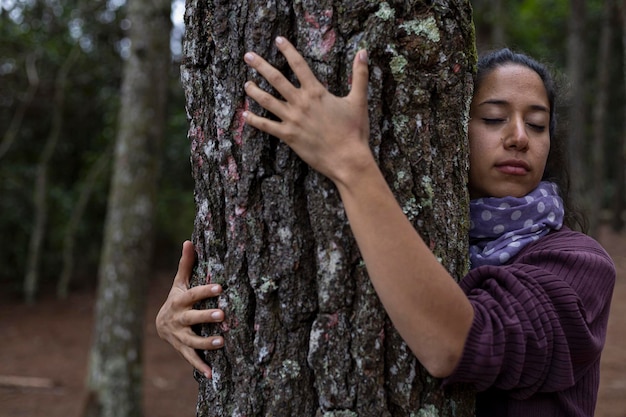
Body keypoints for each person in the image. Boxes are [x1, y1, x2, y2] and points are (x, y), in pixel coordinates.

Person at [156, 38, 616, 416]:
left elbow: (457, 344)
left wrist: (350, 162)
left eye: (536, 125)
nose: (518, 136)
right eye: (494, 118)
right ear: (453, 129)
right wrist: (179, 319)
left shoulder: (580, 264)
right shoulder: (420, 232)